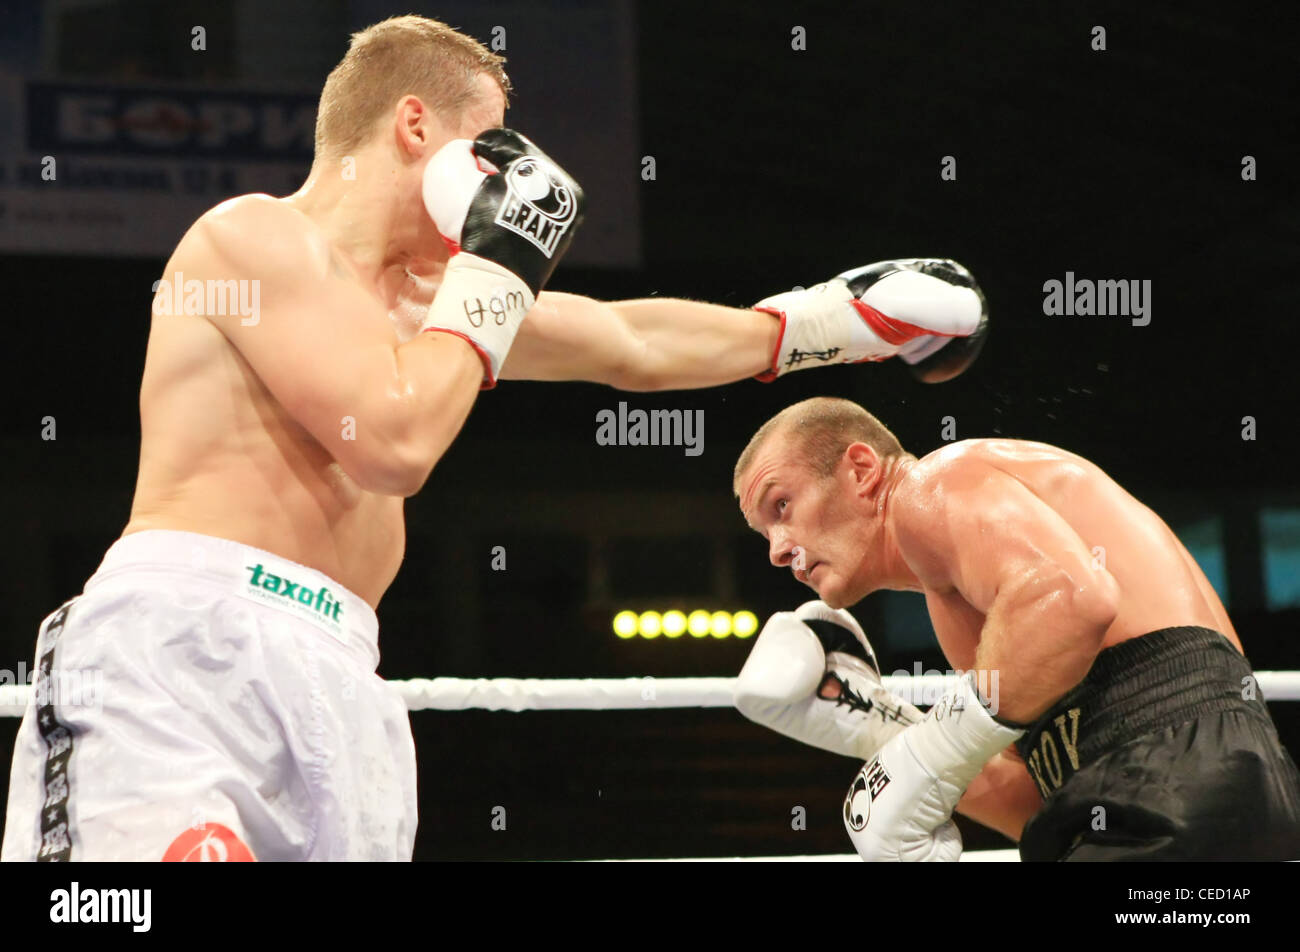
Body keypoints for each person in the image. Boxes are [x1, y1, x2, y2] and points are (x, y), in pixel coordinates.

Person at [1, 16, 986, 861]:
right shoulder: (250, 239)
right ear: (414, 125)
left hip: (338, 673)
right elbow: (390, 438)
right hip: (184, 649)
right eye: (488, 143)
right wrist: (499, 263)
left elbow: (630, 342)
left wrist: (829, 324)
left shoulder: (439, 306)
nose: (504, 180)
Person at [733, 396, 1300, 860]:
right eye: (763, 535)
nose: (778, 553)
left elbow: (1072, 600)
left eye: (780, 505)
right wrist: (877, 727)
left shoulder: (934, 487)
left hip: (1186, 775)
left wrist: (927, 755)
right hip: (1202, 792)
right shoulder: (965, 601)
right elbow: (1044, 798)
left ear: (860, 470)